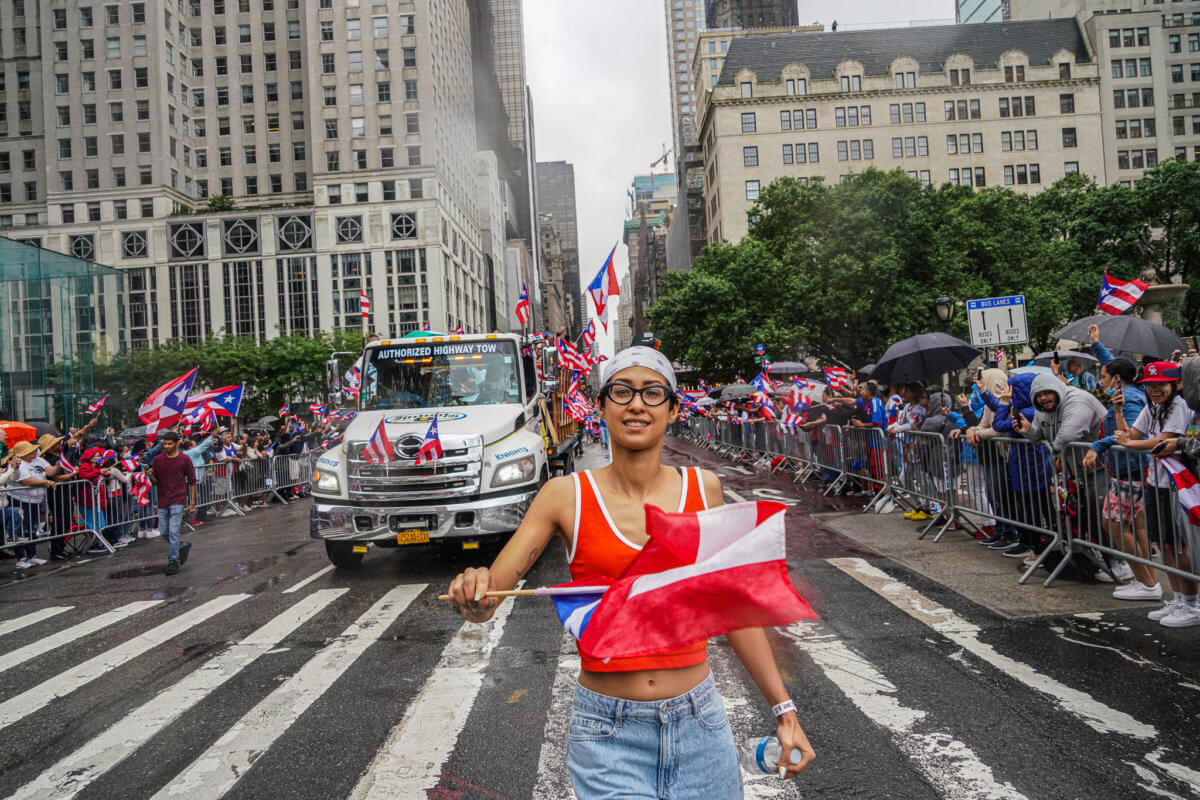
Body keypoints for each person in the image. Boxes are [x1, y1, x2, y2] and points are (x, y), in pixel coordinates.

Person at [447, 347, 815, 798]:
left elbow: (734, 610)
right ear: (601, 405)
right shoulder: (565, 495)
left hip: (700, 727)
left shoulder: (704, 489)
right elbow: (489, 599)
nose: (637, 404)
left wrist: (785, 710)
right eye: (622, 391)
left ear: (673, 409)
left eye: (653, 393)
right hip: (606, 735)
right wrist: (474, 588)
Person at [1114, 362, 1200, 628]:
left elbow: (1163, 442)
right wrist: (1118, 411)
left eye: (1160, 384)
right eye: (1150, 385)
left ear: (1177, 385)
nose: (1154, 390)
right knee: (1164, 544)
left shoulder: (1180, 407)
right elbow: (1129, 434)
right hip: (1155, 482)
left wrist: (1130, 443)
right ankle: (1178, 599)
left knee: (1179, 544)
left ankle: (1192, 603)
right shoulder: (1152, 407)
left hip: (1178, 485)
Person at [149, 430, 196, 576]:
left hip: (178, 499)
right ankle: (182, 545)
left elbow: (192, 482)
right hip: (163, 499)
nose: (166, 446)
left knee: (173, 531)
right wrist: (150, 475)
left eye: (169, 444)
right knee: (163, 531)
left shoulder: (184, 459)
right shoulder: (157, 459)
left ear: (176, 444)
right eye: (164, 444)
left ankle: (173, 561)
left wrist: (192, 502)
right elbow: (155, 481)